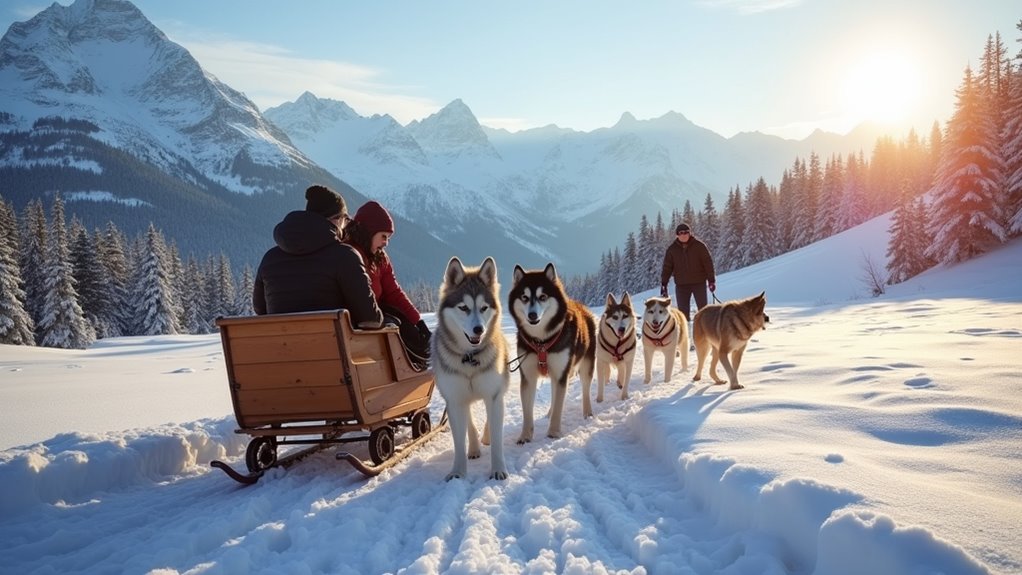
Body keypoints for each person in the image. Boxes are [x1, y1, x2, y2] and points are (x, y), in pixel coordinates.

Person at [252, 185, 384, 329]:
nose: (345, 226)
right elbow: (370, 318)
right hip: (334, 348)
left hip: (281, 347)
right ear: (336, 219)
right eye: (346, 219)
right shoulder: (345, 256)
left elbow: (261, 310)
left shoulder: (270, 259)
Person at [341, 200, 432, 365]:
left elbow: (394, 293)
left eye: (388, 238)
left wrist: (418, 321)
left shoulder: (380, 258)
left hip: (378, 315)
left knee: (412, 336)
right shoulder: (349, 255)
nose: (386, 243)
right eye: (383, 236)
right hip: (360, 322)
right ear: (369, 232)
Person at [660, 222, 716, 322]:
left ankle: (706, 335)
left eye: (686, 232)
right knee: (682, 315)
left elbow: (708, 263)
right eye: (681, 233)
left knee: (703, 312)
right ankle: (685, 336)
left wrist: (711, 281)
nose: (684, 235)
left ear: (690, 233)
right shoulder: (672, 250)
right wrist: (664, 284)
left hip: (699, 283)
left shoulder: (699, 246)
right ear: (677, 235)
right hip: (682, 286)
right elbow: (667, 268)